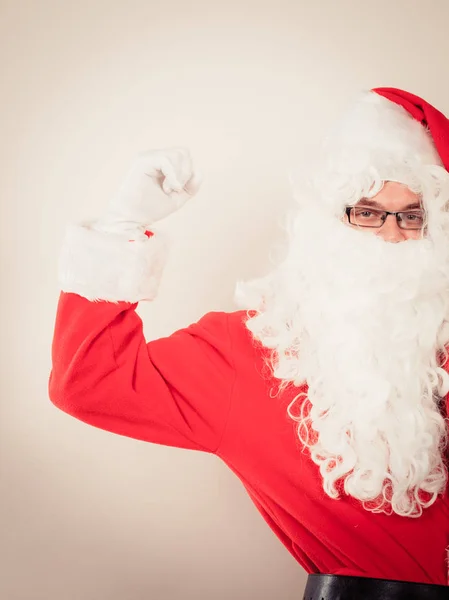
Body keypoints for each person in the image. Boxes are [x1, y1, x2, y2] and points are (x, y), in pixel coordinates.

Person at [49, 87, 449, 599]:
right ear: (326, 224)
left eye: (411, 216)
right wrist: (119, 228)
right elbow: (89, 383)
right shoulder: (249, 350)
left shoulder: (436, 342)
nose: (392, 237)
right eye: (368, 212)